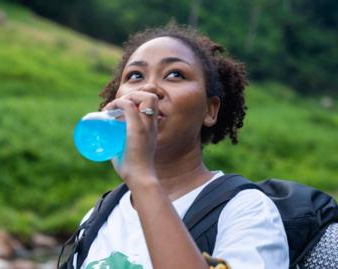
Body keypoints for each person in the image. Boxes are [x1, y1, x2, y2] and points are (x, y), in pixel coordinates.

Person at [74, 24, 289, 269]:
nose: (149, 88)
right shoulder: (98, 217)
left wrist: (142, 178)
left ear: (210, 110)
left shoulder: (246, 212)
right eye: (135, 75)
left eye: (175, 74)